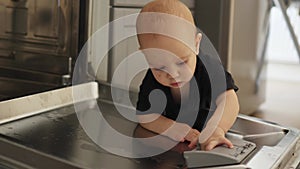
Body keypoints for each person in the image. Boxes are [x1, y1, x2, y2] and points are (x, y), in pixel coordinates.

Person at [135, 0, 239, 151]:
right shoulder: (152, 79)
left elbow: (229, 100)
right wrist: (172, 128)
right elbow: (146, 116)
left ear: (196, 44)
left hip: (212, 138)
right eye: (160, 67)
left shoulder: (209, 69)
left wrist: (216, 129)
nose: (172, 74)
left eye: (181, 62)